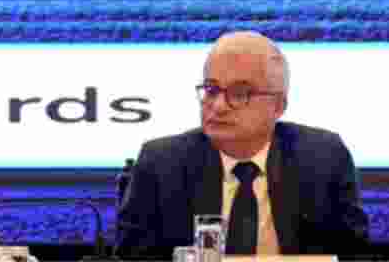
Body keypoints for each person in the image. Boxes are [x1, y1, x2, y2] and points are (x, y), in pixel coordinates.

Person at [116, 31, 368, 258]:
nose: (218, 106)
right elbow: (134, 257)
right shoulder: (161, 163)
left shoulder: (323, 158)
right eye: (211, 89)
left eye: (239, 93)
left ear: (278, 106)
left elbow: (353, 253)